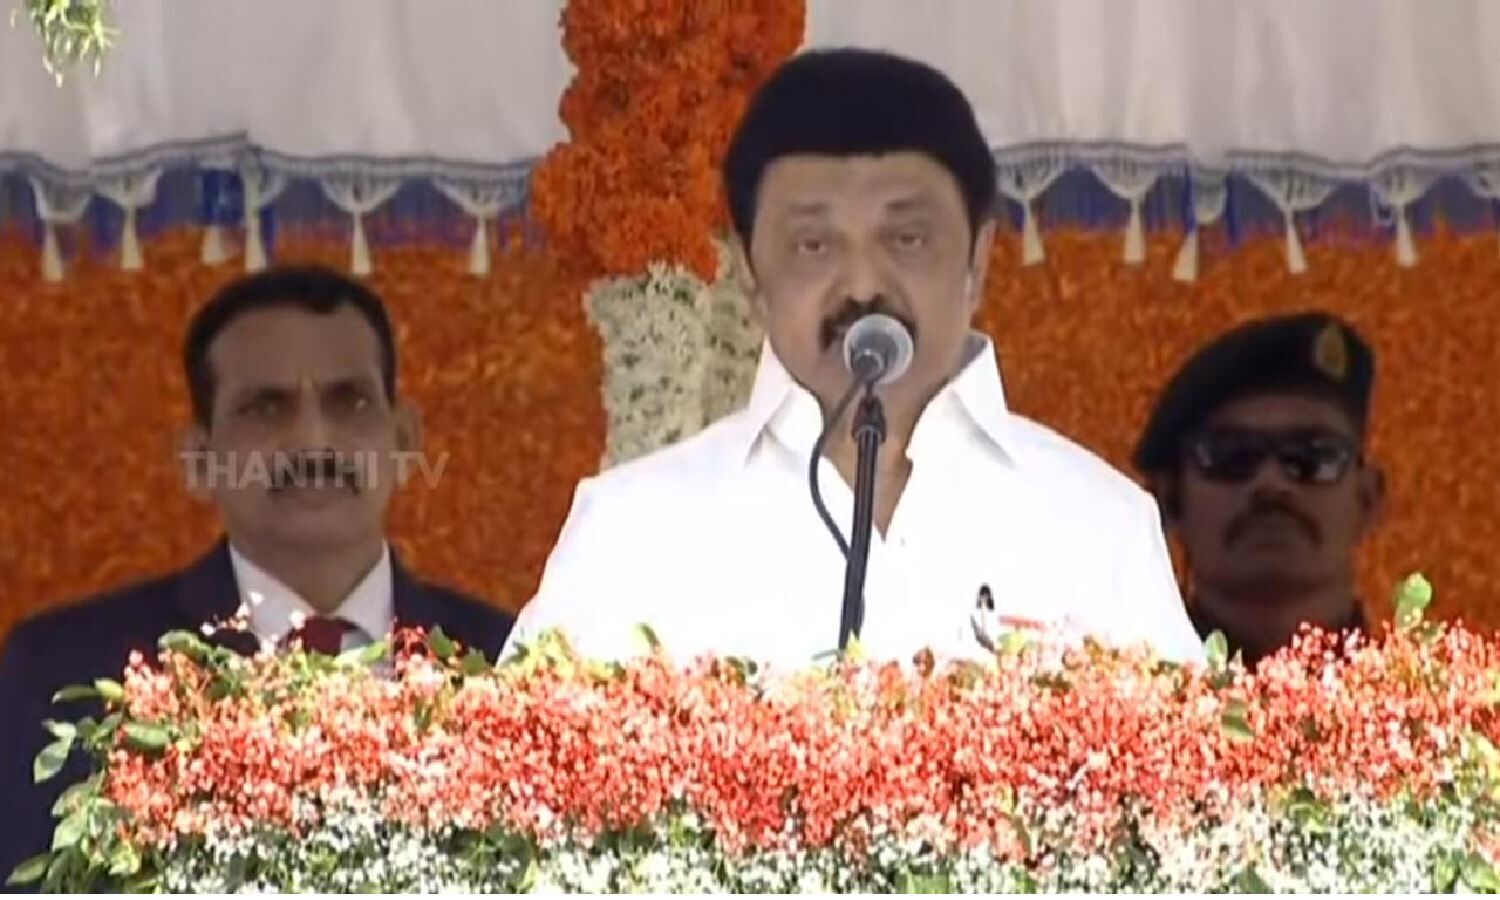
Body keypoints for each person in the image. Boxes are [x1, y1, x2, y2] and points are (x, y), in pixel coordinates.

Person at [505, 48, 1203, 669]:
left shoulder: (1099, 524)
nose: (864, 284)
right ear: (750, 275)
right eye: (814, 245)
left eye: (906, 239)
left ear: (978, 264)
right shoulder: (633, 531)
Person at [0, 265, 514, 881]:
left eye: (347, 400)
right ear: (198, 460)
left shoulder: (510, 664)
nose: (314, 440)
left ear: (404, 441)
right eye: (265, 408)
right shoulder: (64, 671)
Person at [1132, 311, 1385, 666]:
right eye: (1232, 456)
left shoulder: (1452, 713)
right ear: (1171, 501)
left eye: (1313, 457)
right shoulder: (1105, 710)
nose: (1271, 484)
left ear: (1367, 499)